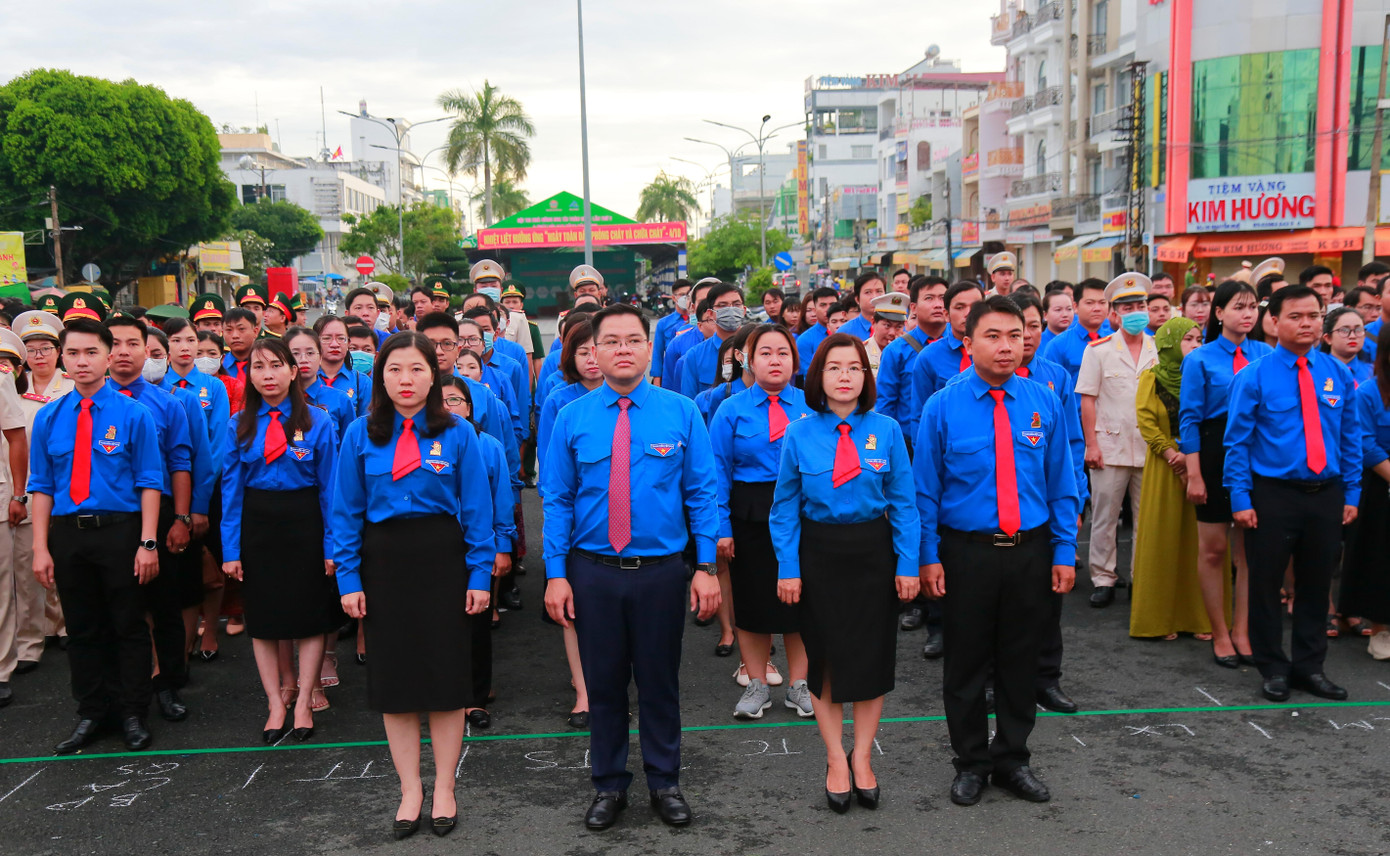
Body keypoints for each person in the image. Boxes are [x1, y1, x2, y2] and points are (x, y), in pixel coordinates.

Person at [541, 303, 721, 831]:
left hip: (660, 570)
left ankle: (665, 782)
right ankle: (609, 785)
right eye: (611, 340)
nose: (623, 348)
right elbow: (557, 498)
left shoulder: (682, 411)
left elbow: (702, 491)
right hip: (592, 570)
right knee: (603, 684)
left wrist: (705, 565)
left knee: (660, 681)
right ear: (592, 351)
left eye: (633, 339)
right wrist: (556, 573)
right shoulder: (571, 416)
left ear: (649, 348)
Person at [916, 295, 1079, 807]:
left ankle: (1012, 758)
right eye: (993, 336)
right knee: (965, 663)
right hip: (967, 553)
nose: (1007, 346)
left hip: (1030, 551)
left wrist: (1064, 551)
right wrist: (927, 556)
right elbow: (925, 491)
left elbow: (1062, 482)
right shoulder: (943, 405)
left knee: (1019, 661)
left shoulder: (1042, 400)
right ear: (968, 342)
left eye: (1015, 335)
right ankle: (971, 762)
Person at [332, 332, 495, 839]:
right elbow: (344, 512)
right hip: (384, 564)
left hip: (442, 560)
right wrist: (349, 576)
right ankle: (410, 790)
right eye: (396, 369)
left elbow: (476, 510)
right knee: (396, 686)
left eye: (418, 369)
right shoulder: (361, 433)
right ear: (381, 376)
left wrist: (480, 573)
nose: (407, 379)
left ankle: (444, 786)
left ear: (434, 374)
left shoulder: (459, 433)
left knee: (445, 682)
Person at [771, 333, 919, 813]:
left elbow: (904, 505)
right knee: (827, 660)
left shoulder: (888, 430)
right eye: (834, 368)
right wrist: (789, 568)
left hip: (873, 555)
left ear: (865, 376)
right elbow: (784, 509)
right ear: (819, 377)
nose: (844, 377)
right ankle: (835, 757)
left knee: (871, 660)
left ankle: (862, 757)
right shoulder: (799, 433)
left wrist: (909, 564)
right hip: (819, 555)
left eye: (854, 368)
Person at [29, 319, 164, 753]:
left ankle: (131, 713)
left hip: (120, 532)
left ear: (108, 357)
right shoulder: (49, 418)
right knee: (83, 628)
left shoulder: (133, 414)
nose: (82, 361)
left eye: (91, 352)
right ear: (63, 359)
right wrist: (40, 548)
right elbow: (42, 486)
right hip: (69, 536)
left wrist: (147, 543)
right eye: (73, 353)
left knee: (127, 625)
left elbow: (149, 482)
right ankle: (91, 712)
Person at [1225, 285, 1360, 702]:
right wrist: (1241, 499)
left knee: (1317, 582)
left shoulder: (1337, 373)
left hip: (1326, 492)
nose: (1307, 324)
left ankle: (1310, 666)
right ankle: (1272, 668)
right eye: (1296, 316)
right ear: (1275, 322)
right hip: (1272, 494)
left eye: (1314, 316)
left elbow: (1350, 436)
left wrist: (1352, 493)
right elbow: (1237, 443)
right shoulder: (1253, 376)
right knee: (1266, 584)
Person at [220, 338, 338, 744]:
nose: (267, 374)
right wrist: (231, 551)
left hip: (304, 522)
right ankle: (275, 701)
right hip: (258, 525)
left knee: (309, 617)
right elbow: (231, 493)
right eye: (258, 367)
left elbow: (330, 491)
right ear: (248, 374)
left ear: (294, 370)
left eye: (275, 365)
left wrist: (330, 546)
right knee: (264, 621)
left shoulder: (319, 422)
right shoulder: (238, 424)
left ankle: (304, 698)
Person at [710, 324, 813, 719]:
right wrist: (722, 526)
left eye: (783, 353)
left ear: (794, 361)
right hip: (750, 511)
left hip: (802, 512)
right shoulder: (730, 409)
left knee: (799, 601)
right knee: (753, 602)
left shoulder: (810, 406)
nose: (775, 360)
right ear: (748, 360)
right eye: (765, 352)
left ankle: (799, 685)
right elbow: (716, 470)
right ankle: (755, 683)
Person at [1179, 279, 1269, 666]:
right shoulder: (1199, 359)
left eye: (1252, 307)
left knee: (1249, 551)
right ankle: (1219, 633)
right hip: (1214, 451)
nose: (1247, 314)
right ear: (1219, 313)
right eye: (1238, 307)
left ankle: (1242, 630)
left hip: (1255, 452)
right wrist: (1195, 474)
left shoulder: (1266, 353)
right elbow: (1189, 421)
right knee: (1214, 549)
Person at [533, 321, 600, 729]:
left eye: (599, 348)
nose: (592, 358)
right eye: (583, 352)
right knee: (574, 611)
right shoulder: (561, 401)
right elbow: (552, 477)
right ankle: (583, 690)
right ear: (570, 358)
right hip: (574, 519)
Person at [1076, 274, 1158, 607]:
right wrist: (1091, 445)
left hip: (1151, 447)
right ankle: (1103, 577)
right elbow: (1088, 400)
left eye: (1140, 305)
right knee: (1106, 517)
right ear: (1115, 314)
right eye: (1127, 307)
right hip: (1109, 446)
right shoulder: (1099, 350)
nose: (1135, 312)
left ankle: (1143, 577)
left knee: (1147, 519)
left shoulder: (1159, 348)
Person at [1130, 317, 1213, 640]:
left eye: (1199, 339)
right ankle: (1160, 619)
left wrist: (1193, 456)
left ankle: (1199, 617)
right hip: (1164, 468)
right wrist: (1171, 453)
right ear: (1168, 344)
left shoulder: (1206, 376)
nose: (1196, 345)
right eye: (1188, 339)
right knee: (1163, 539)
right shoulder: (1151, 377)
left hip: (1201, 463)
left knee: (1200, 541)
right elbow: (1146, 419)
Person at [440, 376, 515, 730]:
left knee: (476, 622)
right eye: (437, 400)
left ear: (469, 407)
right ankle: (441, 694)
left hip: (477, 545)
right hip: (432, 546)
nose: (446, 407)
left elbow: (503, 500)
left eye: (454, 400)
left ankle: (475, 697)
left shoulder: (488, 446)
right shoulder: (416, 444)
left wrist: (503, 547)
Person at [7, 311, 73, 683]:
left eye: (46, 348)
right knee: (27, 566)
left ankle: (65, 625)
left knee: (64, 557)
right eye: (30, 350)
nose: (39, 356)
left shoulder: (72, 387)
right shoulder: (14, 391)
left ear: (58, 351)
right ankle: (31, 640)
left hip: (67, 487)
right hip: (28, 487)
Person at [1342, 323, 1390, 651]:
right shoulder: (1369, 392)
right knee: (1381, 558)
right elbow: (1365, 444)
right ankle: (1381, 629)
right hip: (1379, 483)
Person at [908, 281, 984, 444]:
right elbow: (919, 415)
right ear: (946, 314)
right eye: (960, 307)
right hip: (947, 445)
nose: (968, 313)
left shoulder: (995, 352)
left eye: (976, 306)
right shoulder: (929, 357)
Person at [875, 276, 946, 445]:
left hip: (953, 441)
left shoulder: (964, 345)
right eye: (929, 298)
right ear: (913, 308)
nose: (937, 304)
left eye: (943, 298)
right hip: (909, 442)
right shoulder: (896, 351)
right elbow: (886, 404)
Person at [677, 283, 746, 398]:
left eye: (736, 304)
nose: (730, 309)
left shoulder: (757, 349)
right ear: (710, 313)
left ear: (743, 310)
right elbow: (690, 405)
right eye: (722, 305)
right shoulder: (695, 356)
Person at [288, 327, 356, 439]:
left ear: (320, 357)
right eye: (295, 353)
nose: (303, 359)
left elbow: (349, 448)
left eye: (310, 353)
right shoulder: (278, 399)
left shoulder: (341, 400)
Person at [1041, 278, 1109, 381]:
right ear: (1075, 306)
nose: (1097, 308)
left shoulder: (1116, 341)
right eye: (1090, 303)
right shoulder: (1058, 345)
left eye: (1102, 302)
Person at [656, 278, 716, 386]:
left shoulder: (741, 342)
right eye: (703, 301)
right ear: (693, 306)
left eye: (716, 301)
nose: (709, 308)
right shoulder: (678, 343)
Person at [312, 315, 373, 417]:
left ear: (348, 343)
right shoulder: (306, 379)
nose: (335, 344)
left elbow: (365, 424)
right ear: (315, 342)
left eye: (341, 338)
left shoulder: (362, 382)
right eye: (327, 338)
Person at [796, 286, 842, 378]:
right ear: (815, 308)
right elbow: (810, 375)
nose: (828, 309)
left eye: (832, 304)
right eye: (823, 305)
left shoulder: (850, 333)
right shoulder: (804, 340)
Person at [1320, 306, 1372, 388]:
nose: (1352, 336)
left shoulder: (1373, 372)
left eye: (1358, 330)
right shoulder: (1316, 370)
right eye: (1344, 330)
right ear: (1328, 338)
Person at [862, 292, 908, 377]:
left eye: (898, 327)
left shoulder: (908, 353)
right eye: (887, 325)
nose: (892, 333)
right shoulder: (862, 352)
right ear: (873, 322)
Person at [838, 271, 886, 340]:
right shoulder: (845, 332)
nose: (874, 297)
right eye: (868, 292)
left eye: (879, 291)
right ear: (857, 299)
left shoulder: (898, 329)